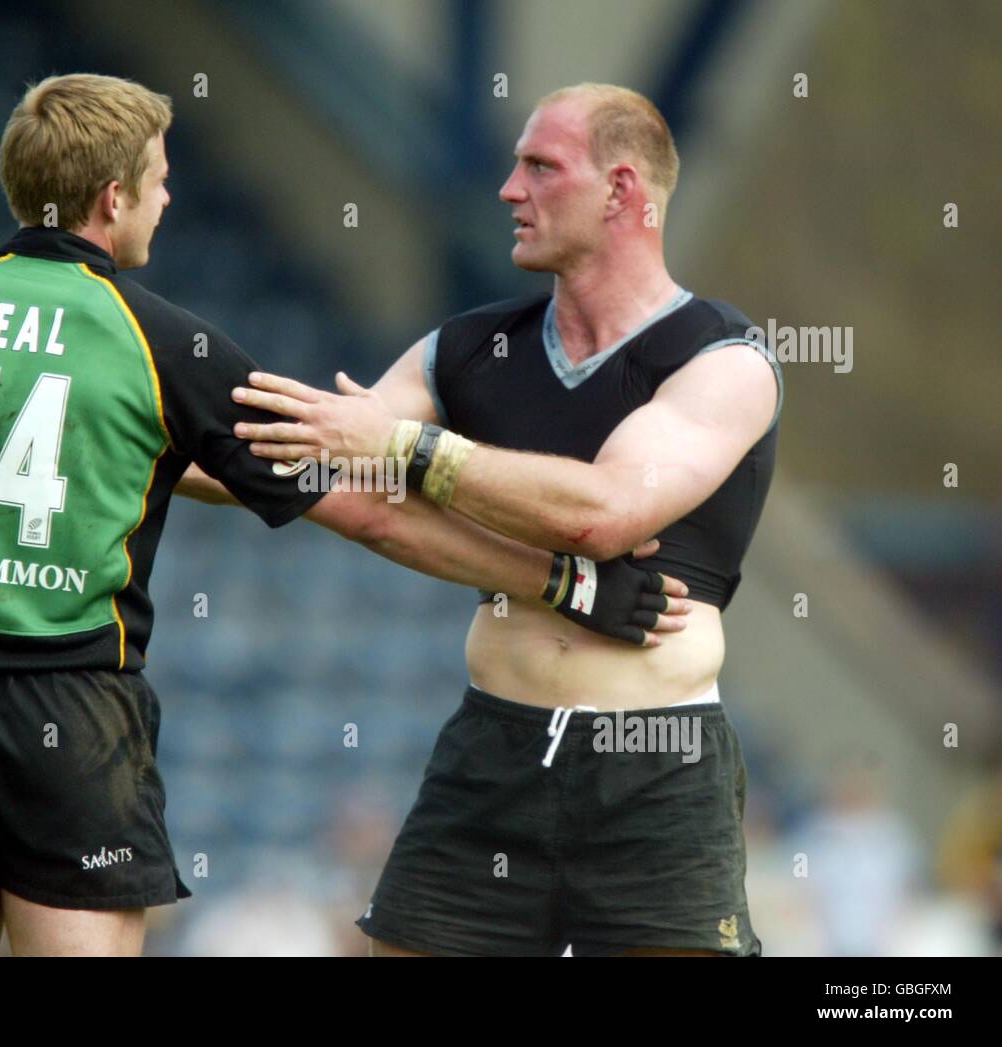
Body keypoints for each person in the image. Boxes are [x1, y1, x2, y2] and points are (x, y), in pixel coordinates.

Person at [0, 74, 687, 957]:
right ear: (113, 196)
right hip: (71, 714)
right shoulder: (164, 338)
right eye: (161, 182)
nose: (168, 202)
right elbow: (366, 512)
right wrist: (561, 580)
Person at [230, 83, 783, 956]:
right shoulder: (469, 347)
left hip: (658, 764)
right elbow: (319, 461)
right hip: (492, 748)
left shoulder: (725, 358)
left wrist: (411, 448)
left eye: (539, 167)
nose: (507, 190)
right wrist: (140, 438)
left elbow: (604, 514)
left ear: (622, 190)